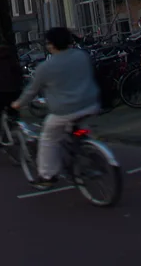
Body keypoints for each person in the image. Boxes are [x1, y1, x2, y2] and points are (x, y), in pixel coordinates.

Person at [12, 27, 100, 186]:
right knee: (81, 130)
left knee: (48, 138)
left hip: (64, 111)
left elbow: (32, 91)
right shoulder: (82, 56)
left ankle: (47, 176)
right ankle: (92, 155)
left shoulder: (45, 67)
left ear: (51, 45)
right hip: (90, 104)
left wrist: (17, 104)